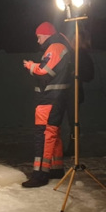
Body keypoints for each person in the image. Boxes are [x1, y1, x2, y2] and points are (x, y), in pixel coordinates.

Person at [21, 21, 73, 188]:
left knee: (43, 135)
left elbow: (43, 70)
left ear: (46, 35)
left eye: (39, 37)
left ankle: (40, 174)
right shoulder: (61, 45)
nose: (37, 41)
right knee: (53, 133)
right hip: (56, 98)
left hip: (49, 99)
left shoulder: (55, 47)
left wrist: (30, 66)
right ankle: (56, 168)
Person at [64, 26, 95, 157]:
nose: (75, 42)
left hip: (74, 93)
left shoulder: (83, 56)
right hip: (62, 92)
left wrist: (77, 73)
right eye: (74, 39)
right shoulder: (66, 53)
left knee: (73, 122)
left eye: (78, 40)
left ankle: (73, 148)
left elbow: (90, 75)